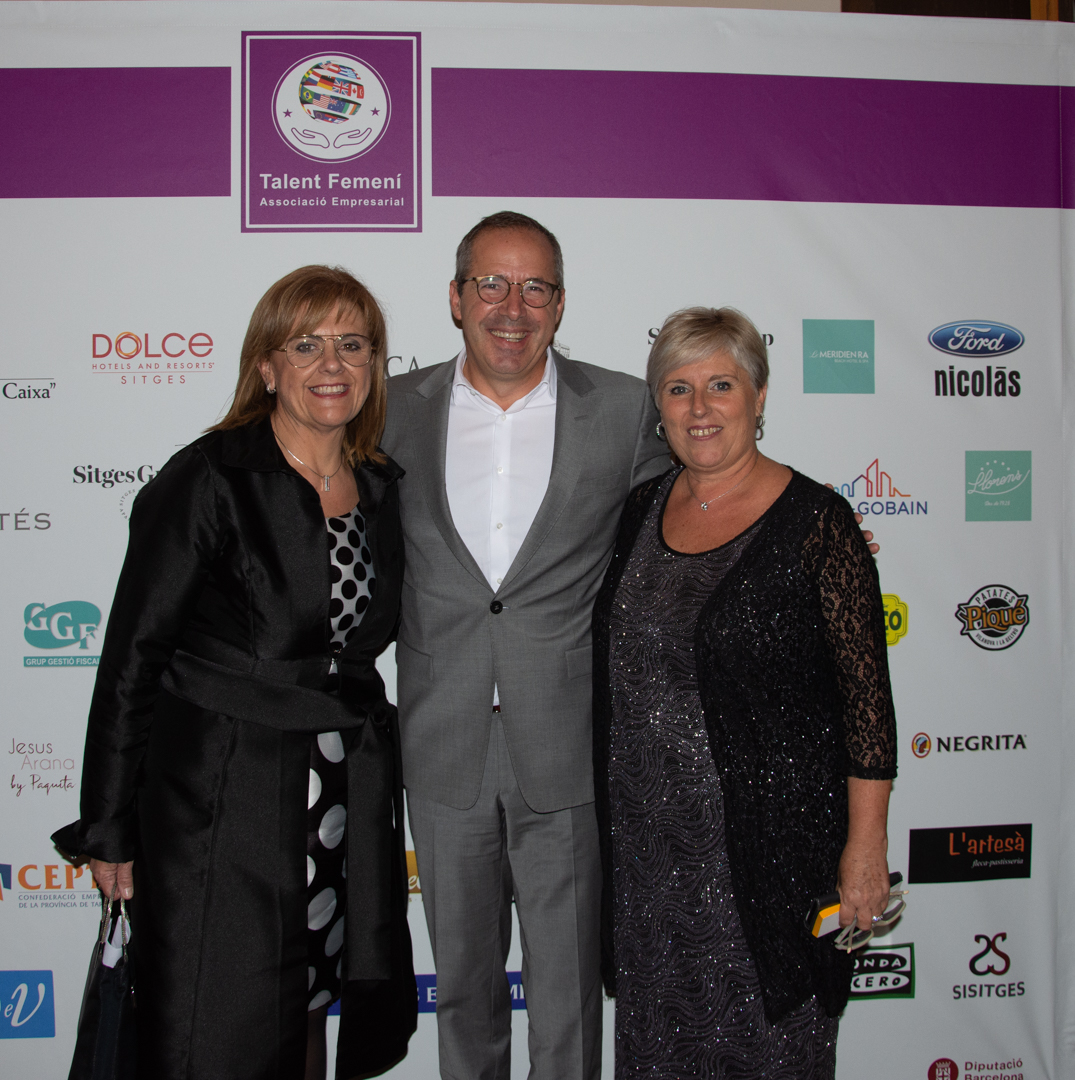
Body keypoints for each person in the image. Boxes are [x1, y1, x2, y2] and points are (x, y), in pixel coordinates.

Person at [53, 265, 416, 1080]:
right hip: (220, 799)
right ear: (266, 367)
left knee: (307, 1007)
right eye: (306, 345)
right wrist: (108, 825)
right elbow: (133, 657)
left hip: (335, 791)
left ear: (375, 364)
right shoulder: (208, 478)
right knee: (219, 1024)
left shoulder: (378, 484)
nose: (332, 364)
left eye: (353, 344)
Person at [381, 212, 668, 1080]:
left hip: (566, 740)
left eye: (534, 287)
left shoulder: (623, 408)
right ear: (456, 297)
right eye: (492, 285)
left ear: (560, 302)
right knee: (462, 989)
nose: (512, 308)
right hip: (443, 742)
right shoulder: (387, 408)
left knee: (568, 992)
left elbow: (681, 540)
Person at [590, 307, 898, 1079]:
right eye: (677, 388)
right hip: (649, 860)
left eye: (720, 385)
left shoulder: (816, 524)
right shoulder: (639, 509)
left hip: (768, 860)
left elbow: (867, 710)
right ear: (657, 407)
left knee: (769, 1047)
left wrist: (864, 849)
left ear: (758, 397)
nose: (699, 408)